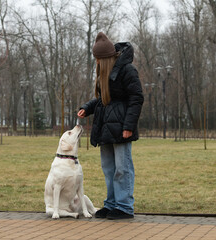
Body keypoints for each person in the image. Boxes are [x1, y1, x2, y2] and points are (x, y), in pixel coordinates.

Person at [77, 32, 144, 220]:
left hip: (121, 127)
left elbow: (136, 98)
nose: (96, 63)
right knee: (109, 168)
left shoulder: (127, 70)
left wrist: (128, 125)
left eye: (98, 59)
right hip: (105, 128)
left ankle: (124, 207)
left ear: (106, 58)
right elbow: (103, 100)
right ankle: (111, 204)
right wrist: (87, 108)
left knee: (123, 168)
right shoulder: (104, 73)